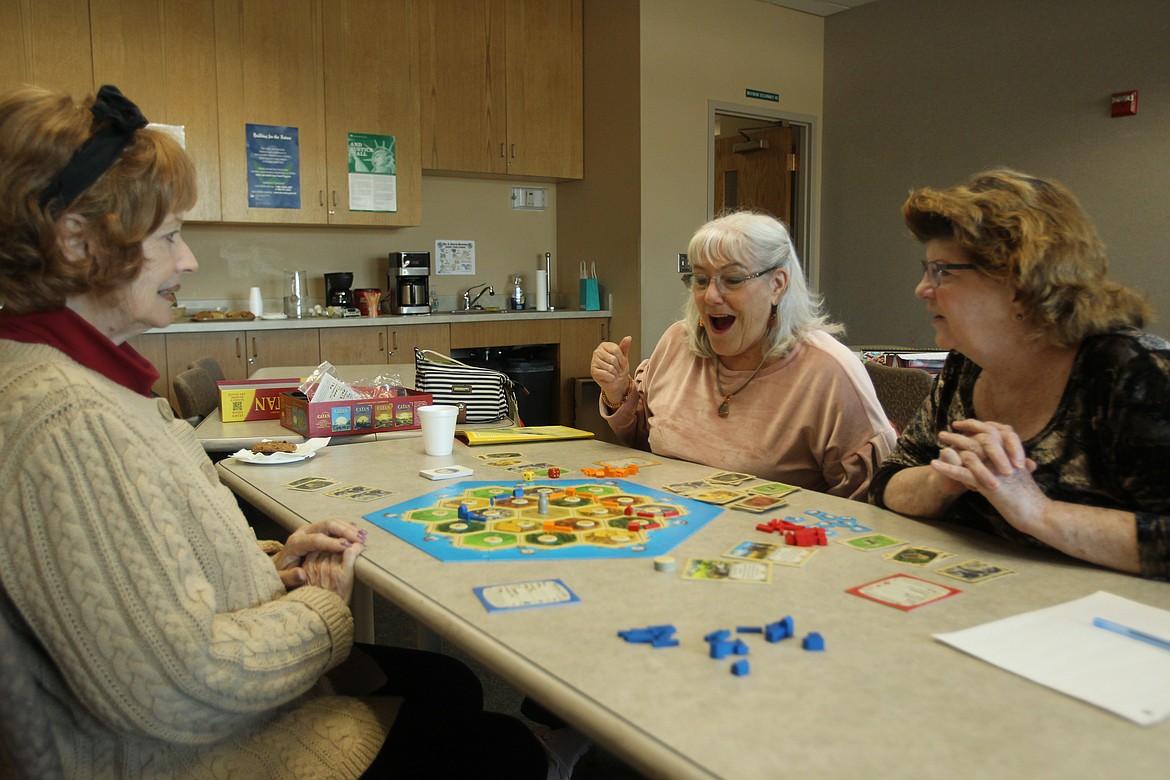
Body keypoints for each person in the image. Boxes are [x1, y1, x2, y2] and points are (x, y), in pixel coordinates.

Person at [0, 85, 550, 778]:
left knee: (451, 686)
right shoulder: (66, 417)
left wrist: (269, 564)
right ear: (76, 242)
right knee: (499, 751)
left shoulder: (72, 378)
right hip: (180, 754)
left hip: (190, 722)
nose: (188, 261)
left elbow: (144, 573)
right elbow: (175, 686)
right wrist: (322, 609)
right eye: (170, 236)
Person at [869, 168, 1170, 580]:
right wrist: (943, 479)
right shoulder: (969, 361)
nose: (923, 288)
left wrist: (1035, 510)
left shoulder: (1132, 372)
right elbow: (887, 483)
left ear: (1021, 283)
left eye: (943, 271)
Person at [591, 211, 896, 500]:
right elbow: (646, 437)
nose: (710, 296)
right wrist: (619, 391)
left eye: (732, 280)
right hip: (670, 523)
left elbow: (869, 501)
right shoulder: (677, 342)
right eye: (700, 280)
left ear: (777, 285)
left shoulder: (828, 370)